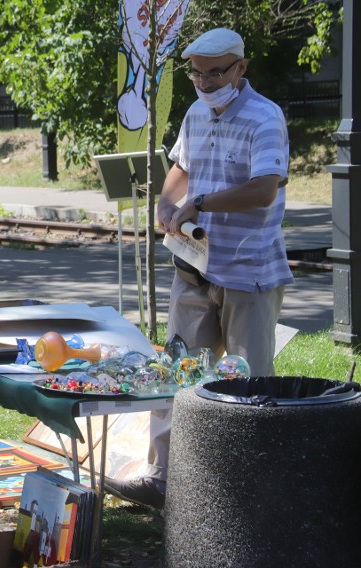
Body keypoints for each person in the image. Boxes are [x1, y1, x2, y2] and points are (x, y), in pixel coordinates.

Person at [105, 28, 293, 510]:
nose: (205, 83)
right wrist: (168, 204)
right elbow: (180, 167)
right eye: (196, 73)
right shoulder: (195, 112)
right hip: (193, 267)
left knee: (249, 386)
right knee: (176, 373)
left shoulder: (264, 117)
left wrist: (201, 204)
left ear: (240, 69)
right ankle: (163, 480)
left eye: (216, 72)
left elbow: (264, 190)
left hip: (248, 271)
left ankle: (248, 492)